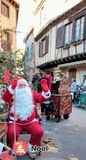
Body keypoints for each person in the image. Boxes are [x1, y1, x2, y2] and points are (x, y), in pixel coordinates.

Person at [2, 77, 51, 159]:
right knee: (11, 133)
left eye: (23, 85)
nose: (22, 87)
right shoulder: (13, 94)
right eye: (20, 85)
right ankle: (13, 150)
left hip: (30, 121)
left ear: (27, 86)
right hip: (15, 122)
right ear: (17, 86)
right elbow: (5, 98)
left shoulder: (32, 94)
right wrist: (11, 88)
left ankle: (31, 149)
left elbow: (41, 98)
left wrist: (45, 91)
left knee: (39, 131)